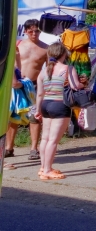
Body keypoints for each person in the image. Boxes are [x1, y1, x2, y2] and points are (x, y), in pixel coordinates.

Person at [34, 42, 77, 180]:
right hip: (60, 105)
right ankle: (47, 170)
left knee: (45, 138)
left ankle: (43, 167)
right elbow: (75, 86)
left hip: (45, 104)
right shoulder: (68, 69)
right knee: (53, 140)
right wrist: (83, 83)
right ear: (63, 53)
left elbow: (39, 94)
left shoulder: (44, 71)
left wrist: (37, 109)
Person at [12, 19, 47, 161]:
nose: (34, 34)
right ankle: (9, 147)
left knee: (35, 117)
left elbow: (49, 69)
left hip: (33, 86)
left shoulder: (45, 48)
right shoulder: (18, 45)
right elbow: (10, 64)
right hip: (16, 85)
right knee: (13, 116)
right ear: (25, 31)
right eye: (31, 31)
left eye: (37, 31)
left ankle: (33, 148)